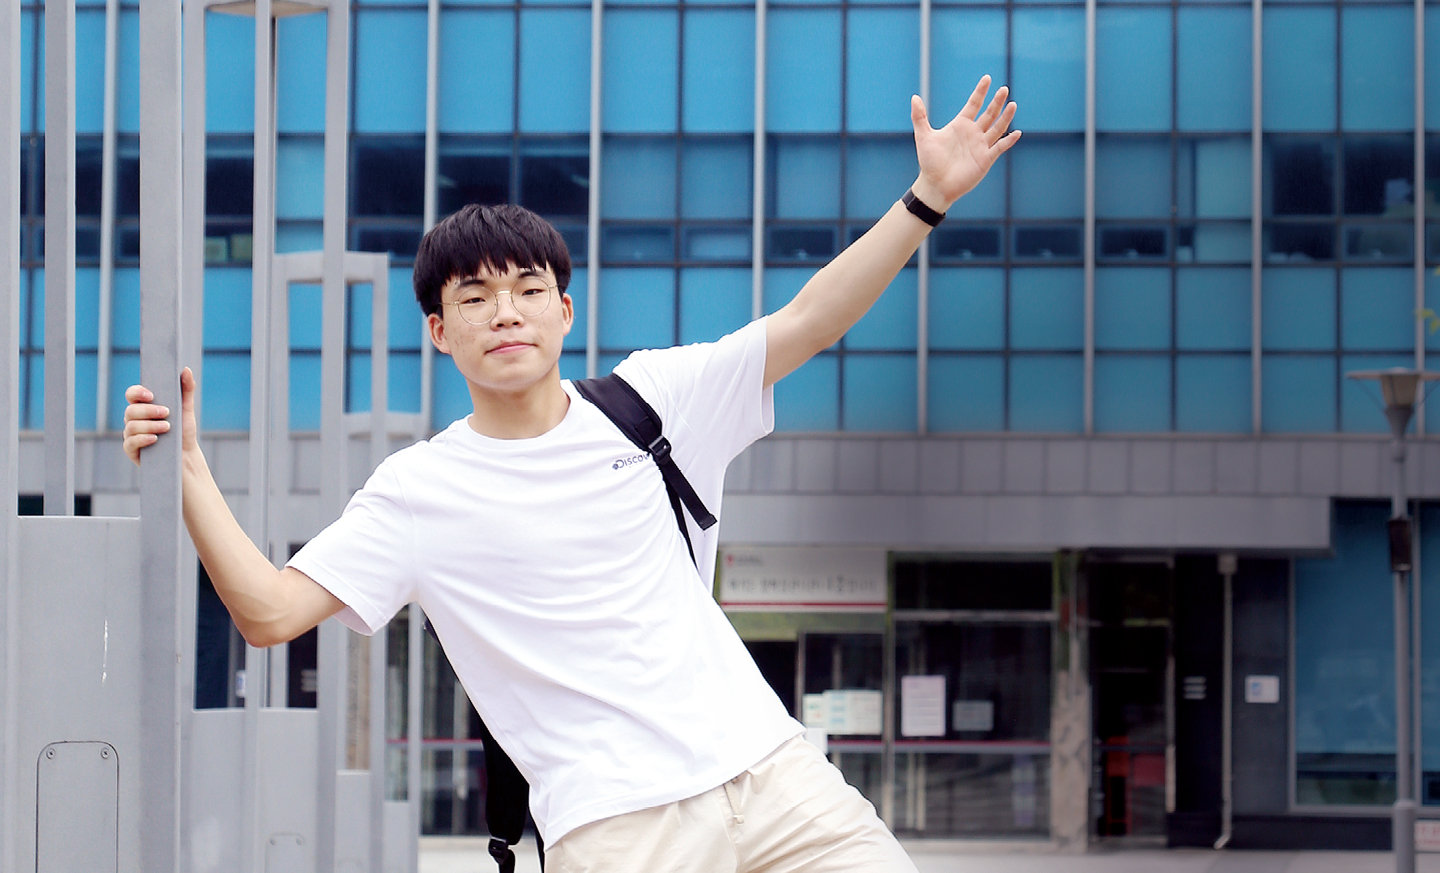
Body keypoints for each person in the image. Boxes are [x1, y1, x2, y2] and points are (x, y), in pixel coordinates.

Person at [124, 77, 1018, 872]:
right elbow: (269, 611)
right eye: (474, 298)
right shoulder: (418, 489)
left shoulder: (651, 401)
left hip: (775, 774)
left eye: (525, 289)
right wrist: (189, 467)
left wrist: (928, 198)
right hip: (619, 824)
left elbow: (810, 317)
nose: (504, 313)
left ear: (564, 308)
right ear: (439, 331)